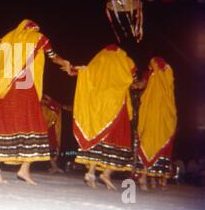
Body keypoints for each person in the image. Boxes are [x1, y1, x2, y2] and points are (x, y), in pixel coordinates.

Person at [0, 19, 72, 185]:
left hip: (6, 87)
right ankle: (22, 169)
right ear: (34, 28)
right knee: (34, 126)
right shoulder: (38, 38)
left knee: (7, 124)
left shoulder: (9, 38)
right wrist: (65, 63)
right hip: (25, 88)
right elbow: (53, 56)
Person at [72, 44, 136, 190]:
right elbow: (133, 78)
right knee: (119, 139)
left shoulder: (98, 59)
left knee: (98, 137)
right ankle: (106, 174)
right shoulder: (126, 61)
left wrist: (77, 70)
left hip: (100, 105)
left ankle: (91, 172)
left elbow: (87, 72)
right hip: (117, 104)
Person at [135, 57, 177, 190]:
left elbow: (140, 85)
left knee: (150, 144)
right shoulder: (167, 74)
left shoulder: (154, 75)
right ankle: (152, 179)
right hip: (161, 118)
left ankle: (148, 178)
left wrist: (128, 83)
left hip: (156, 116)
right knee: (155, 144)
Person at [41, 94, 72, 173]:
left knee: (55, 149)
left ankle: (54, 167)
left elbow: (60, 107)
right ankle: (54, 167)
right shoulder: (44, 106)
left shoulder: (55, 106)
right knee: (51, 149)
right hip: (49, 130)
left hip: (56, 130)